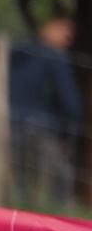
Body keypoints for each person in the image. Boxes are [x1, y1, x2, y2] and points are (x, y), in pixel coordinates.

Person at [8, 11, 82, 207]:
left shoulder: (12, 53)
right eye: (62, 27)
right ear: (44, 26)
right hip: (42, 131)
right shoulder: (54, 56)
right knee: (58, 188)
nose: (69, 35)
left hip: (6, 129)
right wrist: (67, 136)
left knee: (16, 188)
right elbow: (71, 104)